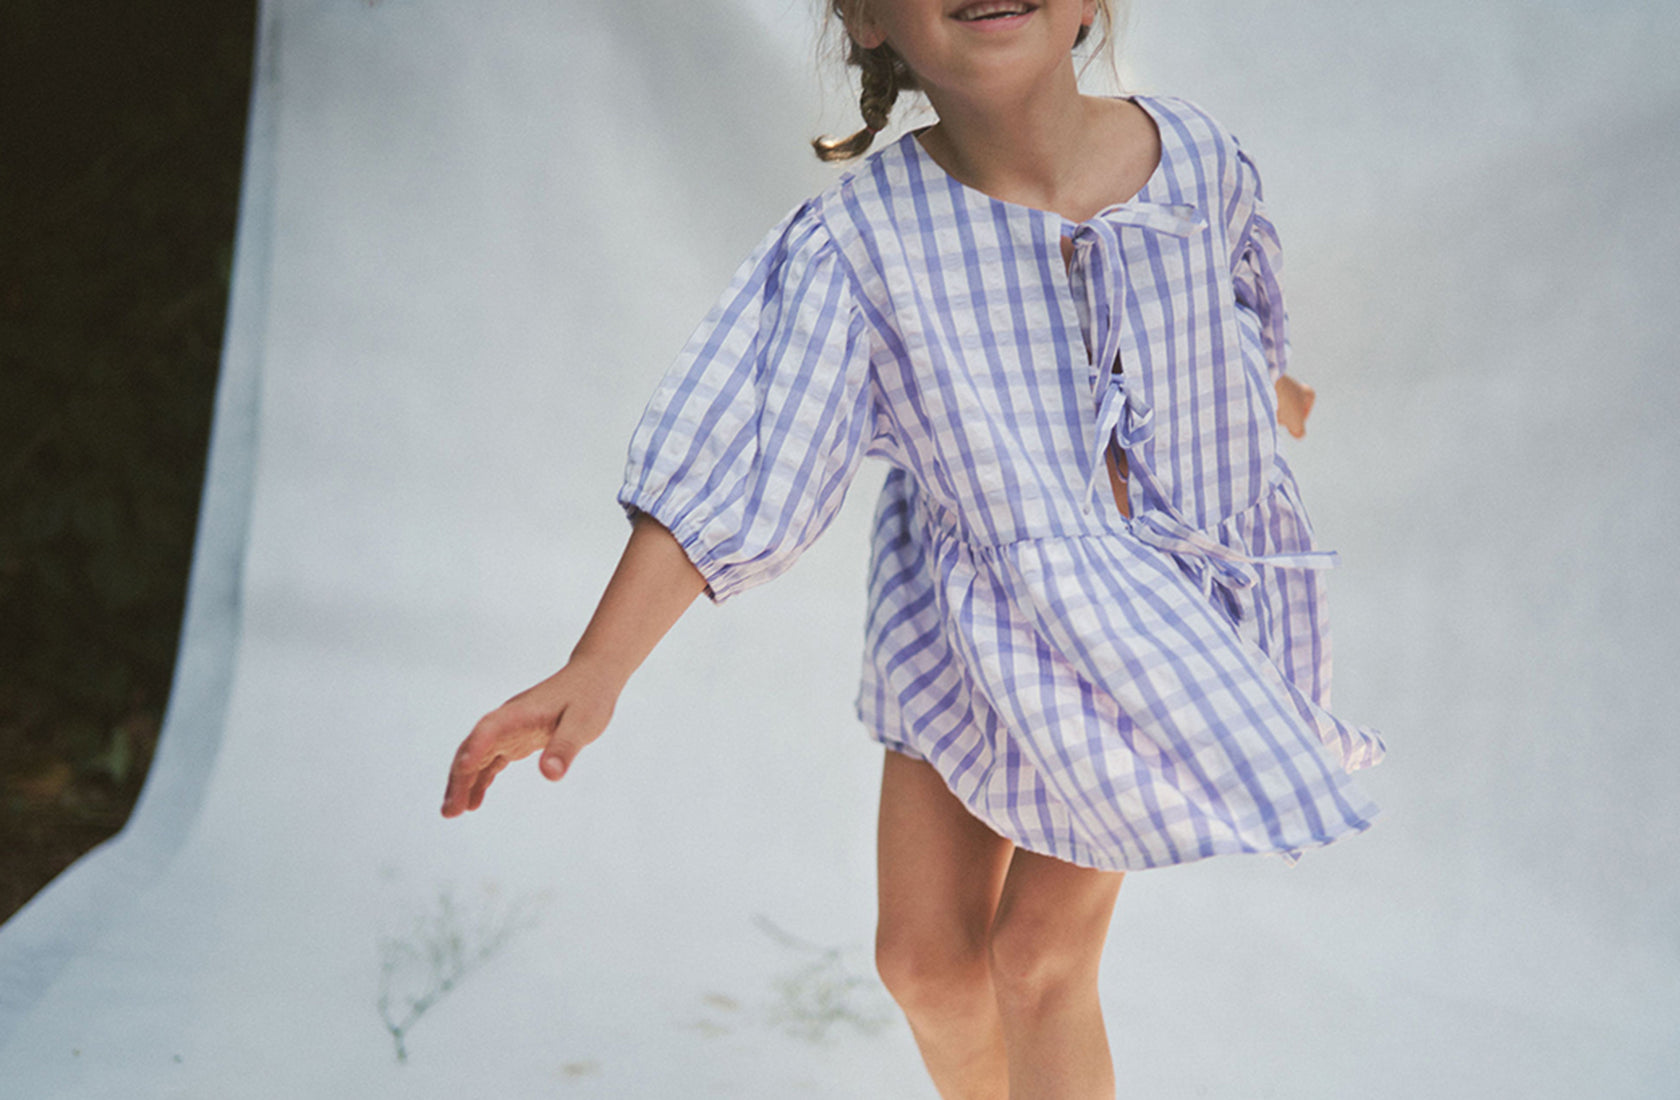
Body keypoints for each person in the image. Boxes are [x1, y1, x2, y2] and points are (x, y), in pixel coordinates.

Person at [442, 1, 1385, 1095]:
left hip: (1148, 626)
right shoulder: (863, 245)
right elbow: (746, 443)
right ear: (868, 19)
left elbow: (1228, 300)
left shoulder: (1197, 161)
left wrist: (1266, 390)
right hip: (972, 619)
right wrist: (598, 663)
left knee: (1037, 957)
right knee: (925, 967)